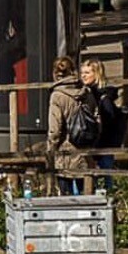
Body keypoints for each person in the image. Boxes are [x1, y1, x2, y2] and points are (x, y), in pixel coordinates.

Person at [45, 56, 91, 196]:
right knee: (86, 195)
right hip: (85, 149)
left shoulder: (57, 96)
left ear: (55, 73)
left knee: (66, 197)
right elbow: (96, 118)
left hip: (64, 151)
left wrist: (50, 150)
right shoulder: (85, 91)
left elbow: (55, 129)